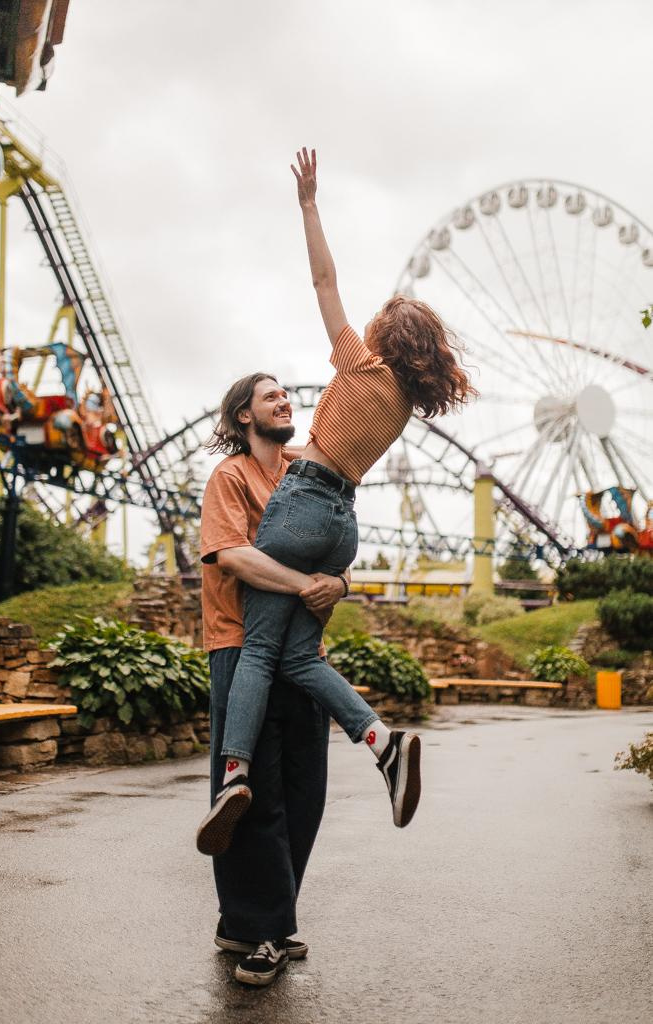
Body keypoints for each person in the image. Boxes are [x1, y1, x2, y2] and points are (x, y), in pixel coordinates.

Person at [197, 146, 478, 863]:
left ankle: (232, 777)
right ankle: (382, 745)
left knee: (260, 647)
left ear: (387, 339)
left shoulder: (361, 365)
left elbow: (323, 279)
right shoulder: (404, 405)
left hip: (301, 504)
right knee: (297, 656)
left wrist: (309, 204)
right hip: (341, 527)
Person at [200, 373, 347, 986]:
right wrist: (305, 584)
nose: (285, 400)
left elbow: (335, 543)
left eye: (288, 394)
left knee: (305, 793)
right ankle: (262, 933)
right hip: (242, 649)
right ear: (242, 417)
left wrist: (338, 583)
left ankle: (254, 919)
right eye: (270, 396)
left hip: (300, 654)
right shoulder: (229, 478)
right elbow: (232, 555)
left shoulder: (304, 471)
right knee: (252, 797)